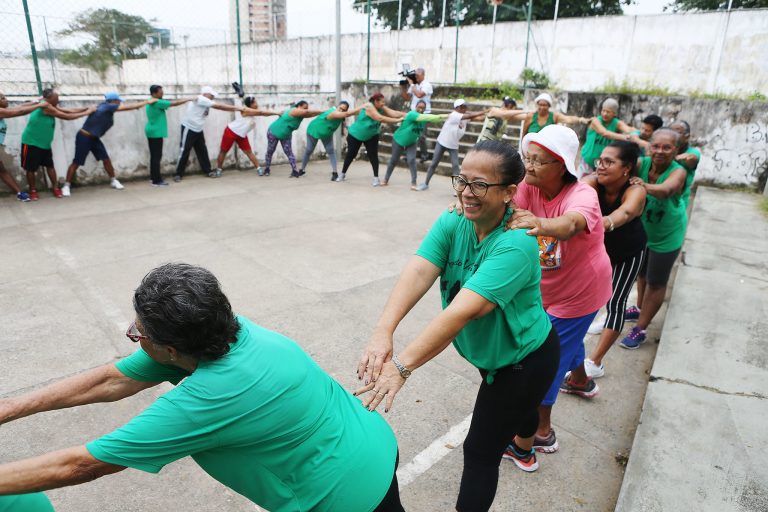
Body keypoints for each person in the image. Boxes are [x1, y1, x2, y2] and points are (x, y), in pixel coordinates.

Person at [0, 263, 403, 512]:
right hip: (369, 444)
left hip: (343, 498)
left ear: (169, 348)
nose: (134, 337)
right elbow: (114, 378)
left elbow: (81, 465)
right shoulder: (225, 328)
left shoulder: (206, 400)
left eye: (136, 333)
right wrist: (12, 406)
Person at [357, 141, 559, 509]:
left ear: (510, 192)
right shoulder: (456, 219)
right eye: (462, 181)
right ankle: (529, 440)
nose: (467, 193)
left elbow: (460, 313)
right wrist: (382, 330)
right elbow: (420, 269)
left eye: (480, 185)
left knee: (481, 451)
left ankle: (525, 441)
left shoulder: (517, 244)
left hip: (522, 361)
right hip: (492, 355)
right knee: (519, 412)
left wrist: (402, 367)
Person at [507, 124, 612, 453]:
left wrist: (537, 224)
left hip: (579, 293)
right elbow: (506, 207)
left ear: (562, 165)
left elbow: (569, 225)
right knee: (565, 346)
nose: (529, 166)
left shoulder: (583, 195)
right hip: (546, 289)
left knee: (547, 362)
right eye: (528, 158)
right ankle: (580, 380)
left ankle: (542, 432)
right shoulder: (530, 186)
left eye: (538, 161)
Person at [579, 142, 647, 378]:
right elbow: (578, 191)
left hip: (629, 251)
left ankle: (595, 362)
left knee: (616, 302)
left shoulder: (635, 190)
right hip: (600, 250)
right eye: (600, 160)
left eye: (609, 162)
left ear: (627, 168)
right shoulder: (592, 182)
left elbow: (627, 212)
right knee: (584, 297)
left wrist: (605, 222)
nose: (601, 166)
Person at [621, 129, 688, 349]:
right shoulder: (641, 163)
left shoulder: (678, 171)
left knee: (656, 282)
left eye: (666, 147)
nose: (660, 151)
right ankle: (639, 307)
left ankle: (641, 328)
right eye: (656, 146)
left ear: (676, 150)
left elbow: (666, 190)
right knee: (641, 273)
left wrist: (641, 186)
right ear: (649, 146)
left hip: (666, 235)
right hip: (644, 231)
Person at [62, 92, 156, 196]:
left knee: (106, 159)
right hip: (84, 138)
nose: (119, 102)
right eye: (118, 101)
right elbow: (130, 107)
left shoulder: (101, 106)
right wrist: (147, 102)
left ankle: (113, 180)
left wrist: (58, 109)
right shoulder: (108, 107)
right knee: (77, 162)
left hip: (94, 138)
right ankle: (66, 186)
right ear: (113, 101)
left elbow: (79, 109)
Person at [20, 89, 93, 200]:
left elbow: (68, 110)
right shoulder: (46, 107)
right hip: (31, 142)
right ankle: (33, 191)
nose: (58, 100)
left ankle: (55, 188)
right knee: (31, 169)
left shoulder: (50, 105)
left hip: (45, 144)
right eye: (56, 98)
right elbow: (66, 116)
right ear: (49, 98)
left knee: (50, 166)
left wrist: (86, 108)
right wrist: (87, 112)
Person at [174, 86, 244, 182]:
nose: (212, 97)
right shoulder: (202, 99)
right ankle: (178, 174)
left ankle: (208, 170)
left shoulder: (206, 101)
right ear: (205, 94)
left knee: (202, 150)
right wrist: (237, 108)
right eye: (211, 95)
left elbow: (204, 113)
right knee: (184, 150)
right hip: (189, 128)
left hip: (198, 129)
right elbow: (220, 106)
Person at [418, 99, 486, 191]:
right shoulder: (454, 115)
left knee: (455, 166)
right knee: (434, 163)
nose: (464, 108)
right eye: (462, 107)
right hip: (442, 142)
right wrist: (485, 111)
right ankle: (426, 183)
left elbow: (477, 118)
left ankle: (458, 189)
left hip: (453, 145)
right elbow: (471, 115)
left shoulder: (464, 117)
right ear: (457, 108)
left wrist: (490, 115)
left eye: (465, 106)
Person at [337, 93, 404, 186]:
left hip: (372, 135)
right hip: (356, 134)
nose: (383, 104)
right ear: (376, 101)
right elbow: (380, 118)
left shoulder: (381, 107)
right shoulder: (369, 107)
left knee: (373, 156)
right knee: (351, 154)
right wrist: (398, 120)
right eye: (382, 102)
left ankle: (376, 178)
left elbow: (394, 113)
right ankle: (342, 174)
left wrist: (408, 115)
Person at [382, 100, 447, 189]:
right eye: (419, 107)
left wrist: (446, 117)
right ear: (415, 107)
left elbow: (430, 121)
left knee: (412, 160)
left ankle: (414, 182)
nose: (420, 109)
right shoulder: (412, 114)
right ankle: (386, 179)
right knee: (393, 160)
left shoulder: (423, 119)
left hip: (412, 142)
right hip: (399, 140)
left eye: (423, 108)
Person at [212, 96, 280, 178]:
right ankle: (219, 170)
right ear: (251, 104)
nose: (257, 103)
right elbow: (262, 113)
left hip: (241, 134)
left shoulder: (253, 111)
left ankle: (258, 168)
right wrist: (277, 113)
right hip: (231, 131)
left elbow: (261, 113)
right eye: (255, 102)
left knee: (249, 152)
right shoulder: (246, 110)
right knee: (223, 151)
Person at [299, 100, 362, 180]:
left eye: (343, 110)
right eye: (340, 108)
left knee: (331, 151)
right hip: (314, 130)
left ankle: (335, 173)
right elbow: (347, 113)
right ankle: (302, 170)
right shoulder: (332, 112)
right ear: (337, 106)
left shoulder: (342, 115)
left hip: (327, 133)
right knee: (309, 150)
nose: (341, 111)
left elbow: (345, 116)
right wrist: (363, 108)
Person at [263, 100, 326, 178]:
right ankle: (267, 169)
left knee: (289, 152)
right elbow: (308, 112)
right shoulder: (294, 111)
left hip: (286, 135)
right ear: (298, 107)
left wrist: (321, 113)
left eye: (306, 108)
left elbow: (310, 114)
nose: (305, 110)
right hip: (274, 132)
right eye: (304, 108)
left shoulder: (301, 114)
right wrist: (322, 110)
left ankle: (294, 171)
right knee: (270, 151)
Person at [144, 85, 192, 186]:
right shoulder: (157, 102)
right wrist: (188, 99)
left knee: (154, 156)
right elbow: (174, 103)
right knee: (157, 156)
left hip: (152, 131)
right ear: (154, 93)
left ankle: (154, 177)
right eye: (160, 92)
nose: (162, 94)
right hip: (155, 132)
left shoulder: (152, 101)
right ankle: (156, 181)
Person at [0, 91, 42, 201]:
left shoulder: (3, 111)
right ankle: (19, 193)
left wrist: (36, 101)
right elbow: (20, 111)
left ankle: (19, 193)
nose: (6, 100)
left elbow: (20, 107)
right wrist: (40, 105)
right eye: (3, 98)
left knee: (2, 170)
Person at [579, 98, 636, 175]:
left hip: (602, 161)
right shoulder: (595, 121)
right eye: (603, 110)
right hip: (588, 158)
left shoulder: (617, 123)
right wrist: (625, 137)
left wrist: (636, 132)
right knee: (582, 181)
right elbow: (604, 133)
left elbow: (628, 129)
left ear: (614, 113)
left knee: (597, 182)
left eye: (608, 112)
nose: (605, 114)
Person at [400, 67, 433, 161]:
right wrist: (402, 88)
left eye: (417, 75)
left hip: (424, 113)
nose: (416, 77)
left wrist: (411, 84)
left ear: (423, 75)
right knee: (410, 133)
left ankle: (424, 155)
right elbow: (407, 98)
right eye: (415, 75)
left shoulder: (427, 85)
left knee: (421, 136)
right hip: (413, 113)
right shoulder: (414, 85)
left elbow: (419, 95)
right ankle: (409, 155)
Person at [522, 92, 589, 136]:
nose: (542, 107)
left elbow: (568, 119)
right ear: (537, 105)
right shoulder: (530, 116)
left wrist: (580, 119)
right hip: (530, 150)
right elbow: (524, 133)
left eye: (545, 105)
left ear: (549, 106)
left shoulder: (554, 117)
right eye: (540, 105)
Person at [670, 120, 700, 208]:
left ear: (687, 137)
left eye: (678, 132)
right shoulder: (665, 148)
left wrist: (687, 158)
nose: (673, 135)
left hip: (679, 201)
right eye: (671, 131)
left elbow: (693, 160)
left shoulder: (692, 152)